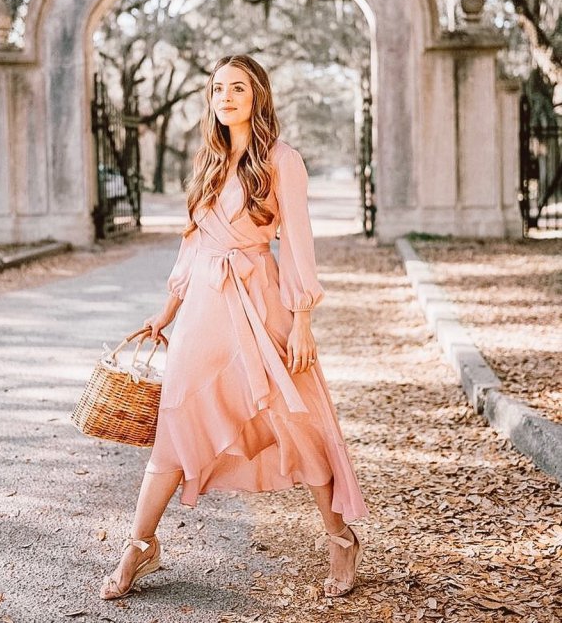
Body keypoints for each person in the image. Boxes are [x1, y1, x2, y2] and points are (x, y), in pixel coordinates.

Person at [99, 54, 371, 602]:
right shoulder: (208, 160)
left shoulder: (280, 160)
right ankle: (139, 545)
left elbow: (296, 244)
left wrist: (301, 322)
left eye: (237, 88)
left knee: (296, 420)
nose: (225, 97)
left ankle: (340, 537)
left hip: (261, 302)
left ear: (257, 97)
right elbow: (193, 242)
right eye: (218, 88)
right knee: (177, 421)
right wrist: (167, 310)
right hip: (203, 309)